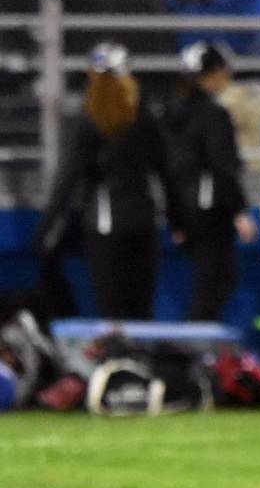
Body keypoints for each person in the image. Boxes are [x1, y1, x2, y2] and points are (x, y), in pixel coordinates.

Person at [36, 43, 180, 320]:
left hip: (105, 222)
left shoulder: (89, 121)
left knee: (112, 308)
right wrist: (177, 219)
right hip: (144, 219)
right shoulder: (145, 118)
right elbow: (167, 172)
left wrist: (47, 225)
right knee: (141, 307)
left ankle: (117, 361)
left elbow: (68, 178)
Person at [164, 40, 257, 321]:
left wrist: (176, 218)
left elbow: (169, 169)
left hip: (185, 208)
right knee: (217, 282)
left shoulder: (171, 111)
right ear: (214, 73)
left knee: (208, 284)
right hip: (211, 210)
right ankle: (200, 349)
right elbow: (222, 164)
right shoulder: (213, 114)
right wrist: (239, 211)